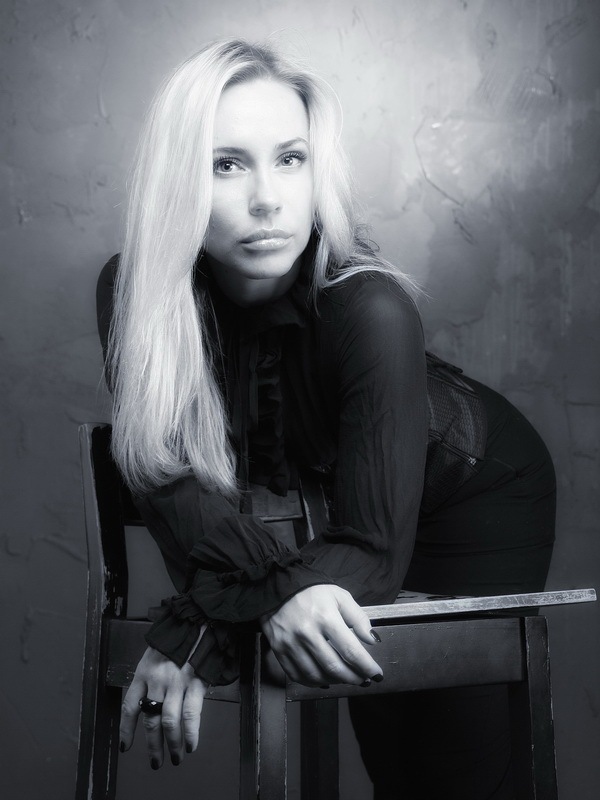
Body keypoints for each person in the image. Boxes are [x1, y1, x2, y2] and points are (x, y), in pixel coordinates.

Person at [96, 39, 556, 800]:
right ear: (176, 177)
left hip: (474, 493)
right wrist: (271, 596)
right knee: (391, 753)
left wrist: (198, 629)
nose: (268, 199)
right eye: (226, 164)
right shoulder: (136, 293)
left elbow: (373, 549)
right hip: (342, 515)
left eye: (290, 159)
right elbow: (175, 491)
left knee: (453, 767)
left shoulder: (370, 306)